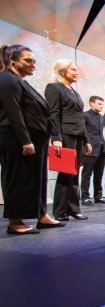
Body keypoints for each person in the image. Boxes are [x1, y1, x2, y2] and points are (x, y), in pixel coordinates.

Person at [0, 44, 65, 234]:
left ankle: (42, 216)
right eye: (28, 60)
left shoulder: (21, 81)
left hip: (34, 138)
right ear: (12, 59)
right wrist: (25, 140)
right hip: (15, 137)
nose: (32, 64)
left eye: (34, 61)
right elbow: (14, 112)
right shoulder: (6, 79)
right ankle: (15, 222)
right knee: (17, 178)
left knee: (37, 179)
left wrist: (53, 136)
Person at [45, 58, 92, 221]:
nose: (76, 72)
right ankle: (59, 211)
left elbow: (80, 118)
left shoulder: (74, 92)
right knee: (66, 173)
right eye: (73, 69)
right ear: (62, 71)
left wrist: (86, 140)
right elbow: (53, 114)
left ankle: (73, 208)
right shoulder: (54, 88)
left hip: (78, 135)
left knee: (75, 173)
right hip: (66, 135)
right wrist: (56, 138)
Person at [80, 95, 105, 206]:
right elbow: (83, 131)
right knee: (87, 173)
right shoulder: (85, 115)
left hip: (101, 148)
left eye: (102, 104)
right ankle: (85, 196)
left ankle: (98, 196)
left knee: (99, 174)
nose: (101, 106)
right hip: (90, 148)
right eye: (99, 104)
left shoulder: (102, 117)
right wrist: (86, 144)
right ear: (92, 103)